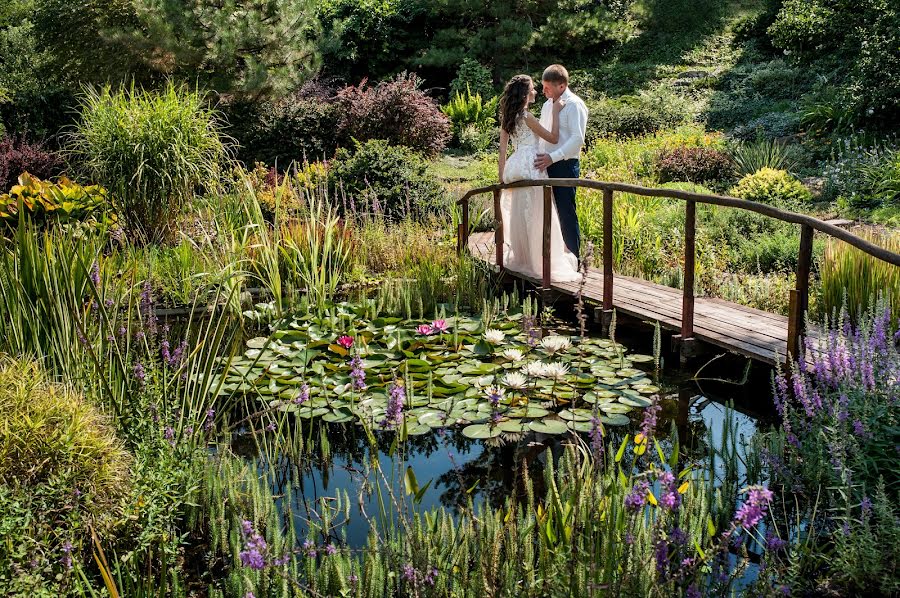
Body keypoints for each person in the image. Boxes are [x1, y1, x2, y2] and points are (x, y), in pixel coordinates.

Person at [497, 74, 580, 282]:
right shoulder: (526, 116)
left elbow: (502, 150)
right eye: (533, 88)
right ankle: (540, 260)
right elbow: (552, 138)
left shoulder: (508, 117)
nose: (535, 92)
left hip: (516, 165)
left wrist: (501, 176)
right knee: (539, 213)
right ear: (525, 94)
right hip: (532, 164)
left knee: (520, 212)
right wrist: (555, 110)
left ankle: (524, 257)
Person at [533, 64, 588, 261]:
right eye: (543, 86)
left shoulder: (575, 105)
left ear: (562, 86)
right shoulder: (547, 105)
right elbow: (544, 135)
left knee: (566, 213)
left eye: (547, 87)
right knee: (549, 214)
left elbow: (577, 139)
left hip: (565, 165)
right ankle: (553, 260)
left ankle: (575, 261)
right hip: (545, 165)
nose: (543, 91)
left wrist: (552, 158)